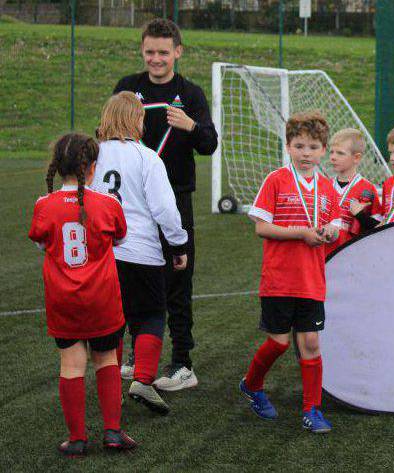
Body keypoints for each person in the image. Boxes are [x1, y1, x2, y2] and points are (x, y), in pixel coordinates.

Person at [113, 18, 218, 391]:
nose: (156, 59)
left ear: (177, 52)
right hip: (132, 205)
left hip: (176, 200)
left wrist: (191, 126)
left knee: (178, 281)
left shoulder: (190, 93)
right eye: (150, 52)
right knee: (133, 281)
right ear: (142, 52)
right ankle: (135, 357)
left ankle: (182, 363)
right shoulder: (128, 88)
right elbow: (109, 132)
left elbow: (209, 144)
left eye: (163, 52)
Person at [28, 133, 137, 456]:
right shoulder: (108, 203)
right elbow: (118, 240)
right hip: (102, 297)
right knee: (106, 361)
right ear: (91, 168)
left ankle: (77, 439)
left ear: (57, 167)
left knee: (71, 365)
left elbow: (41, 243)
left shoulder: (43, 206)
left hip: (64, 300)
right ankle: (113, 432)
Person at [240, 111, 341, 433]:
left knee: (310, 342)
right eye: (299, 146)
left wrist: (328, 233)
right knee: (280, 343)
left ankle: (312, 409)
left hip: (312, 281)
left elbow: (336, 226)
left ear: (323, 149)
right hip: (279, 279)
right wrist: (300, 232)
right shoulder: (276, 180)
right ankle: (252, 384)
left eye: (313, 147)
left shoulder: (327, 188)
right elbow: (261, 227)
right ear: (288, 146)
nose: (306, 153)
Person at [92, 92, 189, 415]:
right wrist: (178, 245)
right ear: (137, 121)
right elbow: (164, 209)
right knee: (149, 315)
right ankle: (144, 380)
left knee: (111, 322)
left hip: (102, 255)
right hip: (141, 253)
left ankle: (111, 391)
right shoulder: (147, 158)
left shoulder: (92, 157)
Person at [324, 128, 381, 257]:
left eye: (340, 153)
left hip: (352, 255)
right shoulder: (324, 186)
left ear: (356, 158)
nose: (333, 157)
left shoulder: (368, 189)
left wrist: (360, 215)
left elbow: (378, 229)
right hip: (323, 254)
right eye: (331, 152)